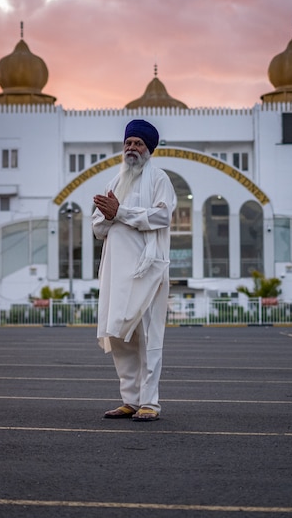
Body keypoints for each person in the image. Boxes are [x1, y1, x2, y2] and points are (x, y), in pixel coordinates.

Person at [92, 119, 176, 422]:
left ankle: (150, 403)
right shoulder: (115, 182)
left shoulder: (159, 179)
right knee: (120, 336)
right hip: (117, 273)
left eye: (138, 143)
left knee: (148, 337)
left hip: (147, 271)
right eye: (128, 143)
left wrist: (121, 213)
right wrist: (108, 215)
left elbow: (162, 217)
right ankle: (130, 400)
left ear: (148, 149)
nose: (131, 148)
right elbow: (98, 228)